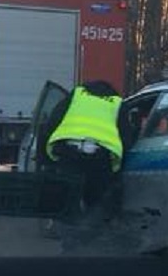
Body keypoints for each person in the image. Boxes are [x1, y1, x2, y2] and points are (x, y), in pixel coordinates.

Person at [40, 80, 126, 252]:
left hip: (69, 156)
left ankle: (70, 247)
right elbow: (126, 136)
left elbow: (51, 123)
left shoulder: (76, 95)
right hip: (99, 161)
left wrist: (48, 159)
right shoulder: (117, 103)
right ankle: (90, 245)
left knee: (68, 204)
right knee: (95, 204)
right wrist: (117, 168)